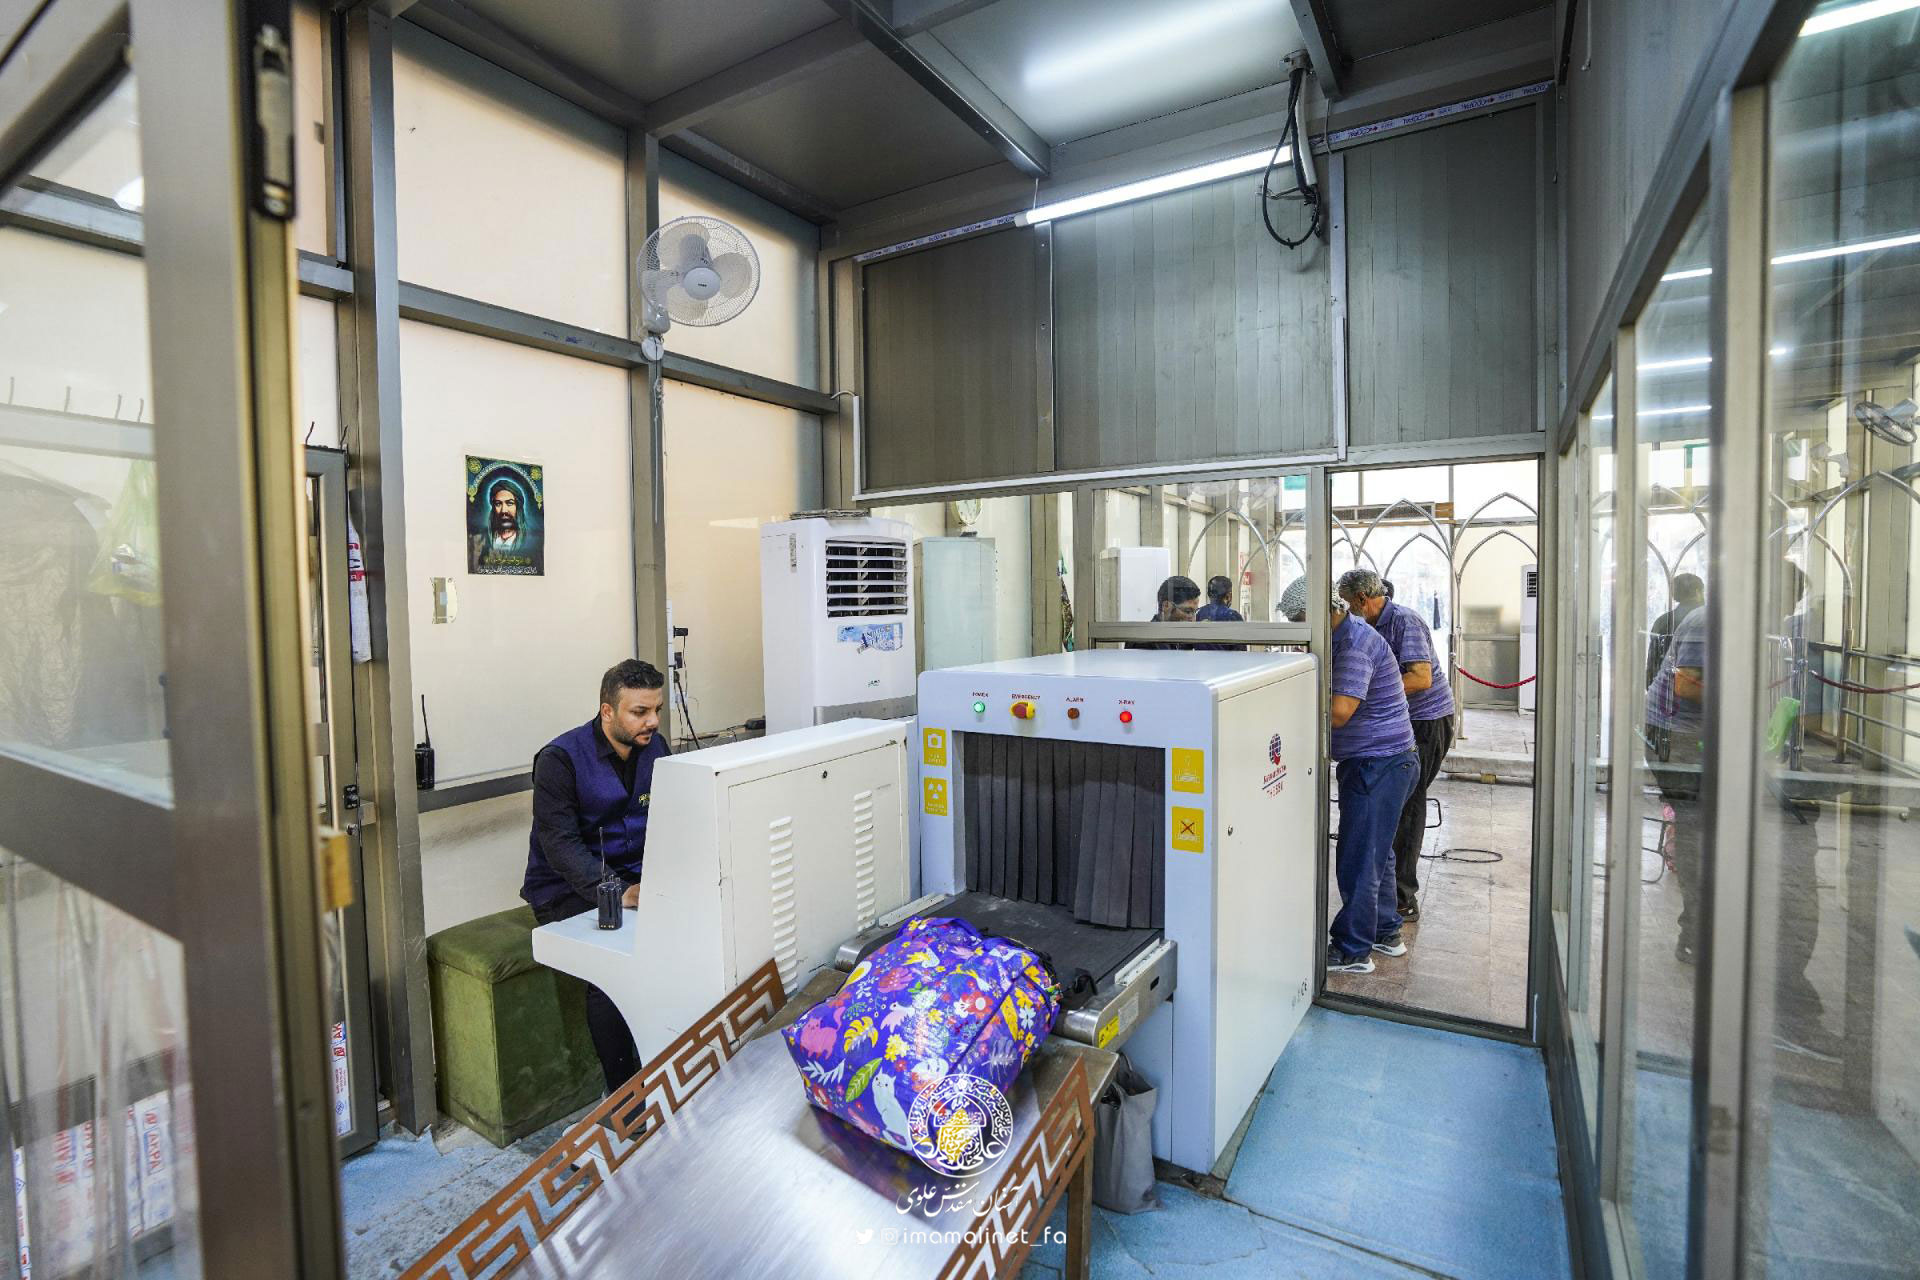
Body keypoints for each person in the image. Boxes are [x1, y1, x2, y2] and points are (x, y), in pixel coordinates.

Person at [522, 659, 670, 1092]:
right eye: (639, 712)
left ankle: (673, 1069)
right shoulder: (559, 760)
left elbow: (672, 816)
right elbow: (560, 846)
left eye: (656, 710)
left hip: (634, 876)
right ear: (607, 711)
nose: (652, 721)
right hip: (565, 888)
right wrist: (622, 892)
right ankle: (625, 1096)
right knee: (613, 971)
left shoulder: (657, 748)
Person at [1338, 569, 1454, 921]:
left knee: (1407, 806)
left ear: (1362, 599)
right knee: (1392, 810)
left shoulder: (1405, 621)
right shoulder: (1364, 628)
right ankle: (1386, 894)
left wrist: (1368, 689)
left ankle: (1403, 896)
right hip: (1398, 719)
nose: (1344, 612)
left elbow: (1421, 678)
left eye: (1346, 604)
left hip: (1425, 721)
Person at [1327, 599, 1420, 974]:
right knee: (1377, 854)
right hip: (1388, 761)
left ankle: (1352, 951)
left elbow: (1339, 712)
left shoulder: (1353, 644)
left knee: (1359, 859)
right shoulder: (1347, 634)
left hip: (1377, 764)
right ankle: (1385, 932)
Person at [1646, 573, 1704, 688]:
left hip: (1666, 690)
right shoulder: (1709, 619)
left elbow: (1652, 672)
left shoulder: (1661, 622)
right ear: (1698, 592)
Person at [1127, 575, 1202, 650]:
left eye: (1195, 612)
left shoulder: (1177, 637)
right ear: (1166, 606)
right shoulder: (1144, 642)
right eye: (1188, 612)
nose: (1193, 620)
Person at [1195, 575, 1248, 651]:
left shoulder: (1198, 613)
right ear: (1229, 595)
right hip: (1225, 659)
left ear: (1208, 594)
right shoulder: (1233, 616)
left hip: (1200, 658)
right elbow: (1241, 651)